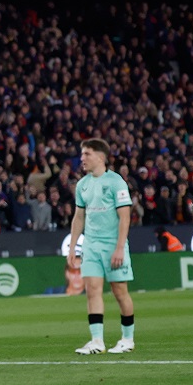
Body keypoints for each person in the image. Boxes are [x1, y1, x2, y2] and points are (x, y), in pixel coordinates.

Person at [68, 138, 136, 355]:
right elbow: (79, 217)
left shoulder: (116, 182)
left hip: (113, 245)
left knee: (120, 292)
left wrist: (119, 248)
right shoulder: (82, 185)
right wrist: (73, 247)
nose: (82, 158)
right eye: (82, 154)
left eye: (86, 154)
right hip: (91, 246)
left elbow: (125, 217)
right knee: (92, 291)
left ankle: (127, 339)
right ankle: (97, 341)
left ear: (100, 157)